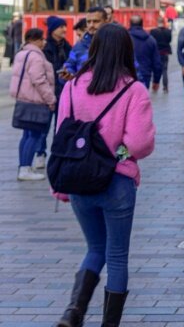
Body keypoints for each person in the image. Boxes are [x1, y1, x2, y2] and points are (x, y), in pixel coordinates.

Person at [54, 23, 155, 327]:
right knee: (117, 255)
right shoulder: (133, 89)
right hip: (116, 182)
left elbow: (62, 137)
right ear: (126, 51)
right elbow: (140, 143)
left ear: (94, 48)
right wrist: (120, 153)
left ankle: (73, 311)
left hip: (78, 182)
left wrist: (60, 187)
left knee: (95, 248)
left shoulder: (72, 86)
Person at [9, 28, 56, 181]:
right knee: (34, 135)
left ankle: (23, 167)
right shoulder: (36, 57)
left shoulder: (21, 53)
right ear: (35, 40)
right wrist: (51, 99)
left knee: (26, 135)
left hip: (24, 99)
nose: (44, 42)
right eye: (42, 39)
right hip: (35, 101)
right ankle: (25, 169)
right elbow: (39, 80)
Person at [37, 16, 72, 170]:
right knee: (43, 127)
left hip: (63, 93)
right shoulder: (45, 48)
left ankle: (56, 154)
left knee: (60, 126)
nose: (64, 29)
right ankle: (40, 153)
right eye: (61, 27)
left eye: (64, 26)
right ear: (52, 30)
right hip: (48, 93)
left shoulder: (67, 46)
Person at [62, 7, 107, 79]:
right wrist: (68, 73)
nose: (91, 25)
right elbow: (69, 65)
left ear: (106, 22)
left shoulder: (116, 43)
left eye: (96, 21)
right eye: (88, 22)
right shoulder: (78, 46)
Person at [128, 16, 162, 90]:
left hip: (127, 76)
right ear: (142, 24)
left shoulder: (124, 38)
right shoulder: (151, 40)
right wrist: (156, 80)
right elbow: (157, 62)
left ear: (130, 24)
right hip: (145, 76)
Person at [150, 17, 173, 93]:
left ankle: (155, 85)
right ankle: (165, 87)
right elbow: (169, 40)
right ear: (163, 22)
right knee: (164, 70)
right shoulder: (168, 31)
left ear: (157, 22)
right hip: (165, 52)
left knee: (155, 69)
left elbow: (151, 42)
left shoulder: (153, 31)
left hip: (156, 53)